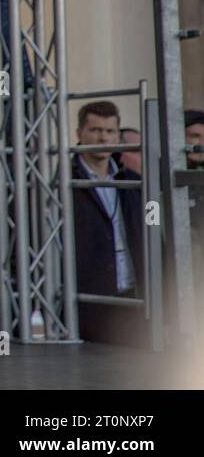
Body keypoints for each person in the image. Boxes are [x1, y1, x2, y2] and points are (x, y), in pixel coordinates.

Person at [71, 101, 145, 346]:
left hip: (133, 298)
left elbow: (153, 238)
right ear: (79, 133)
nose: (104, 138)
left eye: (110, 131)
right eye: (95, 130)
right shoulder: (61, 184)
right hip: (88, 302)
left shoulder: (135, 182)